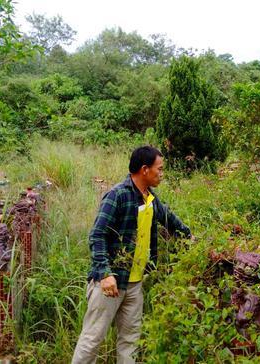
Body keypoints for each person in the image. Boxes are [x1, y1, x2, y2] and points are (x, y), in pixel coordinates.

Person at [72, 146, 192, 364]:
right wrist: (105, 273)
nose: (162, 174)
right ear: (144, 169)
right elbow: (97, 235)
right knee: (92, 339)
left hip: (135, 284)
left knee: (130, 342)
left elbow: (172, 221)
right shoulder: (117, 195)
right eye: (160, 169)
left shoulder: (150, 199)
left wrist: (192, 239)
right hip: (110, 283)